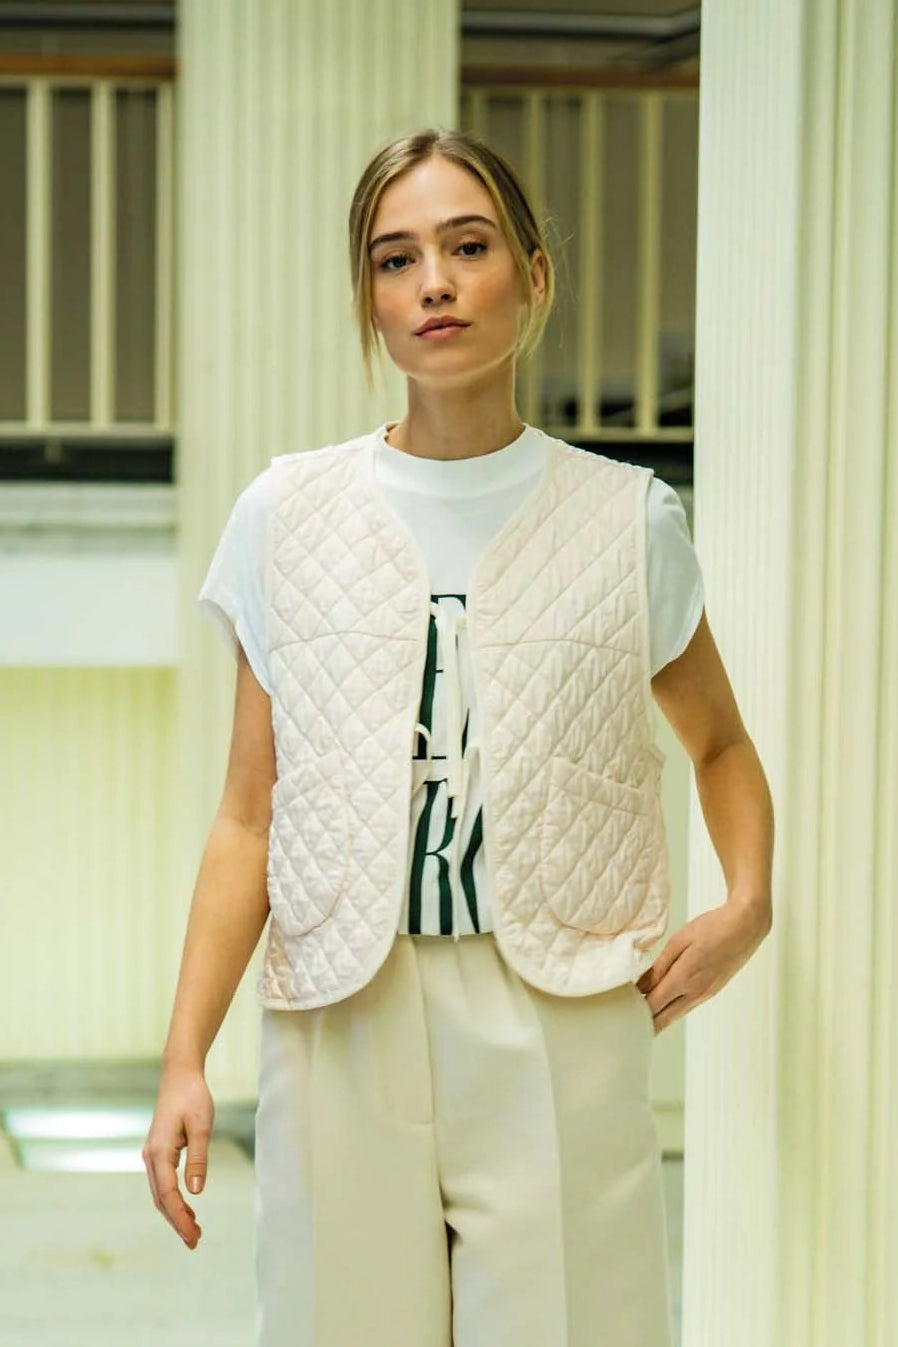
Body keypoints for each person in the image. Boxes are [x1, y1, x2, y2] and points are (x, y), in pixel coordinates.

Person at [143, 127, 774, 1347]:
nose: (431, 281)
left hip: (558, 1007)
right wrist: (185, 1060)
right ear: (370, 301)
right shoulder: (285, 516)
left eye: (466, 245)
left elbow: (723, 745)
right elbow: (246, 816)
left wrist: (746, 902)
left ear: (531, 276)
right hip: (341, 1009)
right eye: (394, 259)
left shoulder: (626, 518)